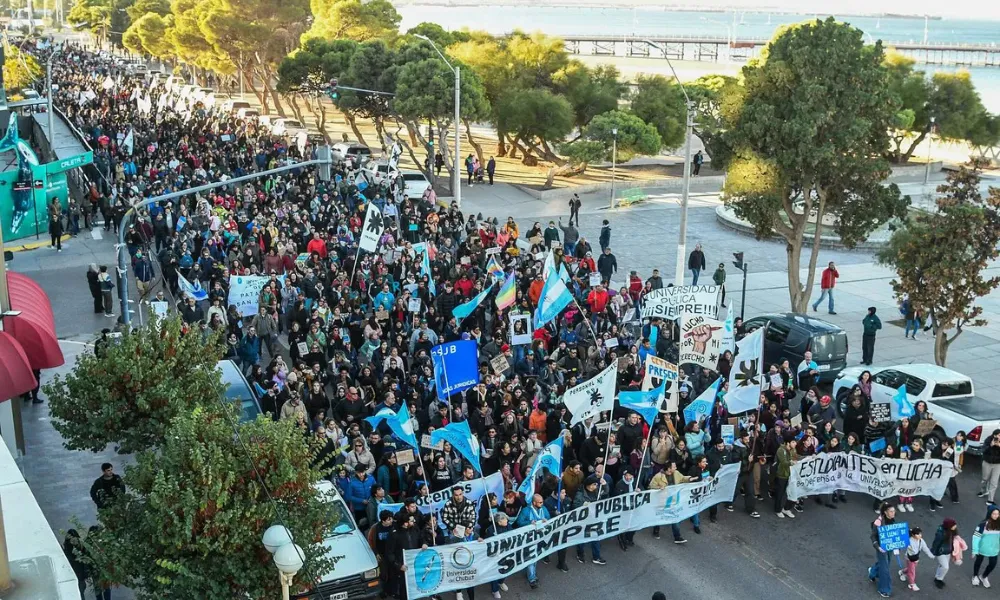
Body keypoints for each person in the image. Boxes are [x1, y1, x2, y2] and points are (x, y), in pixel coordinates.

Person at [516, 494, 550, 588]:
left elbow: (549, 517)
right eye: (540, 502)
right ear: (534, 503)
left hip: (540, 537)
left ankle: (530, 573)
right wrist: (529, 523)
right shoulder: (526, 511)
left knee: (536, 555)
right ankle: (532, 578)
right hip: (529, 538)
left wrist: (546, 520)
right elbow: (519, 522)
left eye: (542, 501)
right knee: (532, 557)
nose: (542, 503)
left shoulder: (544, 509)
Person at [572, 476, 607, 564]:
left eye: (596, 484)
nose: (595, 486)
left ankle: (596, 557)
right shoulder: (580, 495)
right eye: (594, 484)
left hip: (594, 519)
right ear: (588, 485)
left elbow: (605, 492)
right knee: (582, 539)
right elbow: (575, 507)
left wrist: (605, 485)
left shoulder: (596, 491)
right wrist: (584, 506)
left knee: (596, 538)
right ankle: (580, 554)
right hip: (584, 521)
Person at [869, 502, 896, 598]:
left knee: (885, 564)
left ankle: (872, 573)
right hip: (881, 548)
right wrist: (878, 547)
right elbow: (873, 536)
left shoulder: (892, 520)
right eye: (891, 511)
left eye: (894, 511)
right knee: (885, 569)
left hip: (890, 547)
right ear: (885, 512)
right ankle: (884, 590)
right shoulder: (878, 522)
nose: (893, 513)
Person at [972, 506, 1000, 587]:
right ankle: (975, 576)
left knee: (992, 564)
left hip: (994, 550)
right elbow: (976, 537)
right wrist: (975, 550)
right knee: (978, 562)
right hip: (982, 548)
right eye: (994, 514)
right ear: (989, 514)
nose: (996, 516)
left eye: (998, 514)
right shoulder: (982, 524)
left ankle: (984, 576)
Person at [900, 526, 935, 592]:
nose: (920, 535)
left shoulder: (921, 541)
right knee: (912, 571)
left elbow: (925, 548)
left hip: (916, 558)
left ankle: (902, 572)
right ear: (913, 535)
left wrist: (930, 555)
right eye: (918, 534)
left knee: (911, 568)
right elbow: (902, 545)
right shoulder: (909, 540)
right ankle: (912, 584)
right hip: (909, 558)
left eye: (920, 534)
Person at [931, 517, 959, 588]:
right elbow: (936, 543)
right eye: (953, 525)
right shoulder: (941, 534)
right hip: (941, 553)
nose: (955, 526)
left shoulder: (951, 531)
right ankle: (938, 579)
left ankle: (937, 576)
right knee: (945, 567)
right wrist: (933, 552)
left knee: (942, 565)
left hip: (948, 551)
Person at [980, 429, 1000, 503]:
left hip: (997, 464)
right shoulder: (988, 440)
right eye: (999, 435)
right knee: (985, 478)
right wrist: (990, 446)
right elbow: (983, 450)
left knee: (994, 482)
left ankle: (990, 499)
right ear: (994, 435)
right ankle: (983, 490)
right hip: (987, 462)